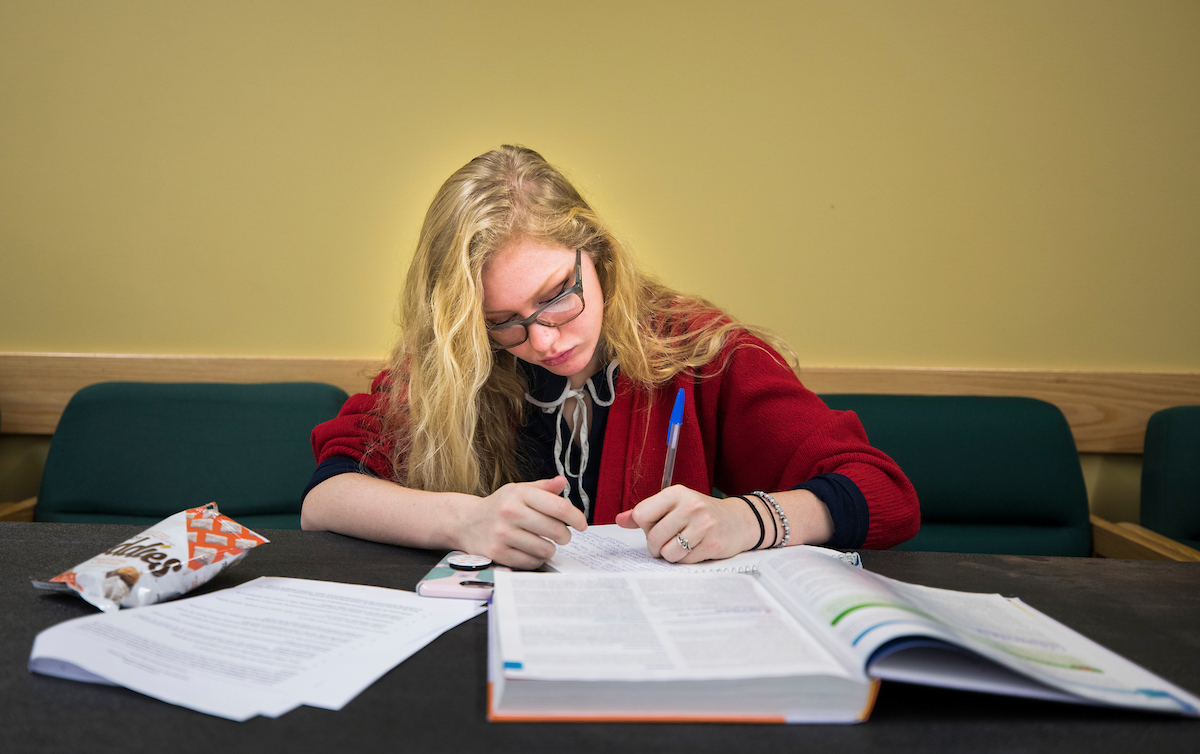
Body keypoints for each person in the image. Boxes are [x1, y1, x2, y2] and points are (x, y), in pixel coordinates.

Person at [301, 145, 919, 569]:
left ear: (595, 253)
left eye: (556, 298)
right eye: (503, 323)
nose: (543, 340)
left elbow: (884, 493)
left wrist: (750, 520)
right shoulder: (458, 360)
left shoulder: (699, 352)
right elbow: (325, 499)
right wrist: (462, 521)